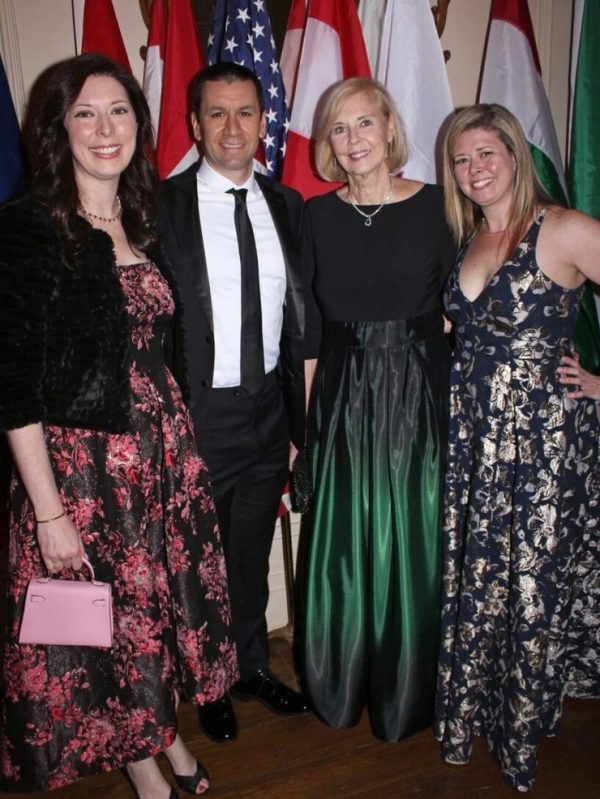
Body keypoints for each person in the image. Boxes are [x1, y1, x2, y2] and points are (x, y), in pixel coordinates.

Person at [0, 53, 238, 798]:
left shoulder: (143, 218)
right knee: (112, 621)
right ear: (58, 129)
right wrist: (49, 513)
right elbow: (12, 386)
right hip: (85, 473)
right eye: (85, 113)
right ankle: (145, 767)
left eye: (119, 111)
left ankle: (163, 735)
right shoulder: (30, 227)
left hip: (160, 463)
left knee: (152, 615)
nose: (106, 129)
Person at [435, 103, 600, 792]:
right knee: (487, 583)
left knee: (529, 589)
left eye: (486, 153)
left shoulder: (560, 228)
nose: (474, 169)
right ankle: (475, 712)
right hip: (476, 443)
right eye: (461, 159)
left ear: (514, 155)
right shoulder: (470, 238)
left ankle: (522, 732)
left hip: (541, 450)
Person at [300, 77, 455, 742]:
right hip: (342, 397)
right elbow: (310, 329)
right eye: (339, 128)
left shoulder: (439, 206)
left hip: (420, 398)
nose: (353, 139)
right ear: (328, 142)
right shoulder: (315, 216)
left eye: (365, 122)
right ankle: (344, 682)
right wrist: (308, 425)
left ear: (390, 127)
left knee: (414, 543)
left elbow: (467, 306)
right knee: (344, 545)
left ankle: (410, 690)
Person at [158, 62, 308, 744]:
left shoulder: (286, 204)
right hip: (199, 414)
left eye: (245, 112)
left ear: (263, 120)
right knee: (199, 559)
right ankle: (208, 681)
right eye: (216, 113)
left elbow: (299, 317)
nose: (231, 127)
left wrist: (298, 422)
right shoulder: (161, 207)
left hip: (269, 413)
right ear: (195, 124)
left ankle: (250, 667)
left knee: (248, 553)